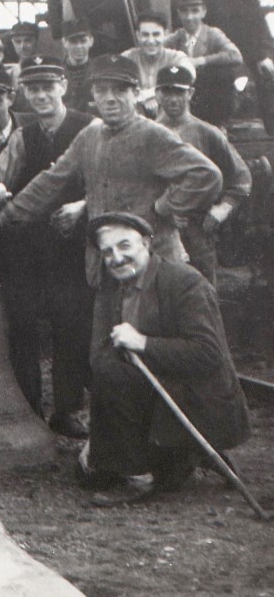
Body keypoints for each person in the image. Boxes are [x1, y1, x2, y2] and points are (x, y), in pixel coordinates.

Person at [0, 54, 223, 285]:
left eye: (120, 90)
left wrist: (162, 208)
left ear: (136, 93)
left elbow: (206, 175)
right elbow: (49, 182)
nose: (110, 98)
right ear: (94, 95)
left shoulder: (152, 135)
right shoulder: (89, 136)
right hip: (107, 267)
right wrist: (4, 217)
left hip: (154, 264)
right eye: (101, 90)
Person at [79, 212, 250, 505]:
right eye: (107, 252)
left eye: (124, 246)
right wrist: (100, 434)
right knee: (88, 473)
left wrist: (142, 343)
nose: (116, 258)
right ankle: (184, 453)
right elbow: (103, 352)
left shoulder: (184, 281)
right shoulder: (115, 287)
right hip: (157, 387)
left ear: (146, 243)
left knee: (112, 374)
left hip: (198, 397)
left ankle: (140, 476)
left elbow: (207, 354)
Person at [0, 58, 95, 431]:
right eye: (33, 89)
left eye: (48, 87)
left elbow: (108, 180)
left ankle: (66, 410)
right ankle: (29, 408)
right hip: (27, 245)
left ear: (64, 87)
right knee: (22, 324)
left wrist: (84, 205)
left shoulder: (89, 128)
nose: (41, 95)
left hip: (72, 245)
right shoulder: (23, 136)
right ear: (24, 93)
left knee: (71, 325)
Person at [155, 65, 251, 285]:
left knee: (202, 291)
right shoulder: (147, 133)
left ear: (190, 93)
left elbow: (241, 178)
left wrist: (221, 210)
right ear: (157, 94)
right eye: (167, 91)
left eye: (179, 91)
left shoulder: (208, 133)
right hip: (159, 228)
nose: (173, 98)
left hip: (197, 229)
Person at [200, 0, 274, 132]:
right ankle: (217, 127)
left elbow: (258, 24)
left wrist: (262, 57)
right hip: (222, 52)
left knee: (268, 75)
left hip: (250, 49)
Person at [165, 0, 243, 127]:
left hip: (211, 98)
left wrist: (201, 61)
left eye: (195, 11)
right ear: (179, 13)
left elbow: (235, 55)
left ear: (203, 12)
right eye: (185, 12)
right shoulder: (176, 37)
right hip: (185, 95)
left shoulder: (212, 34)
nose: (189, 17)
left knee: (222, 74)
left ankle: (219, 125)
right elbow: (159, 52)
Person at [122, 12, 193, 117]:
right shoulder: (127, 57)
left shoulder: (176, 57)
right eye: (145, 35)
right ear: (138, 35)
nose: (151, 41)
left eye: (156, 34)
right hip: (138, 117)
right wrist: (143, 99)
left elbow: (190, 76)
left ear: (165, 34)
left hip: (171, 118)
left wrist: (149, 95)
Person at [61, 18, 95, 113]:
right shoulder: (57, 72)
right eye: (73, 42)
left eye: (83, 41)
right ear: (64, 43)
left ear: (91, 41)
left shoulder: (99, 70)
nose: (79, 46)